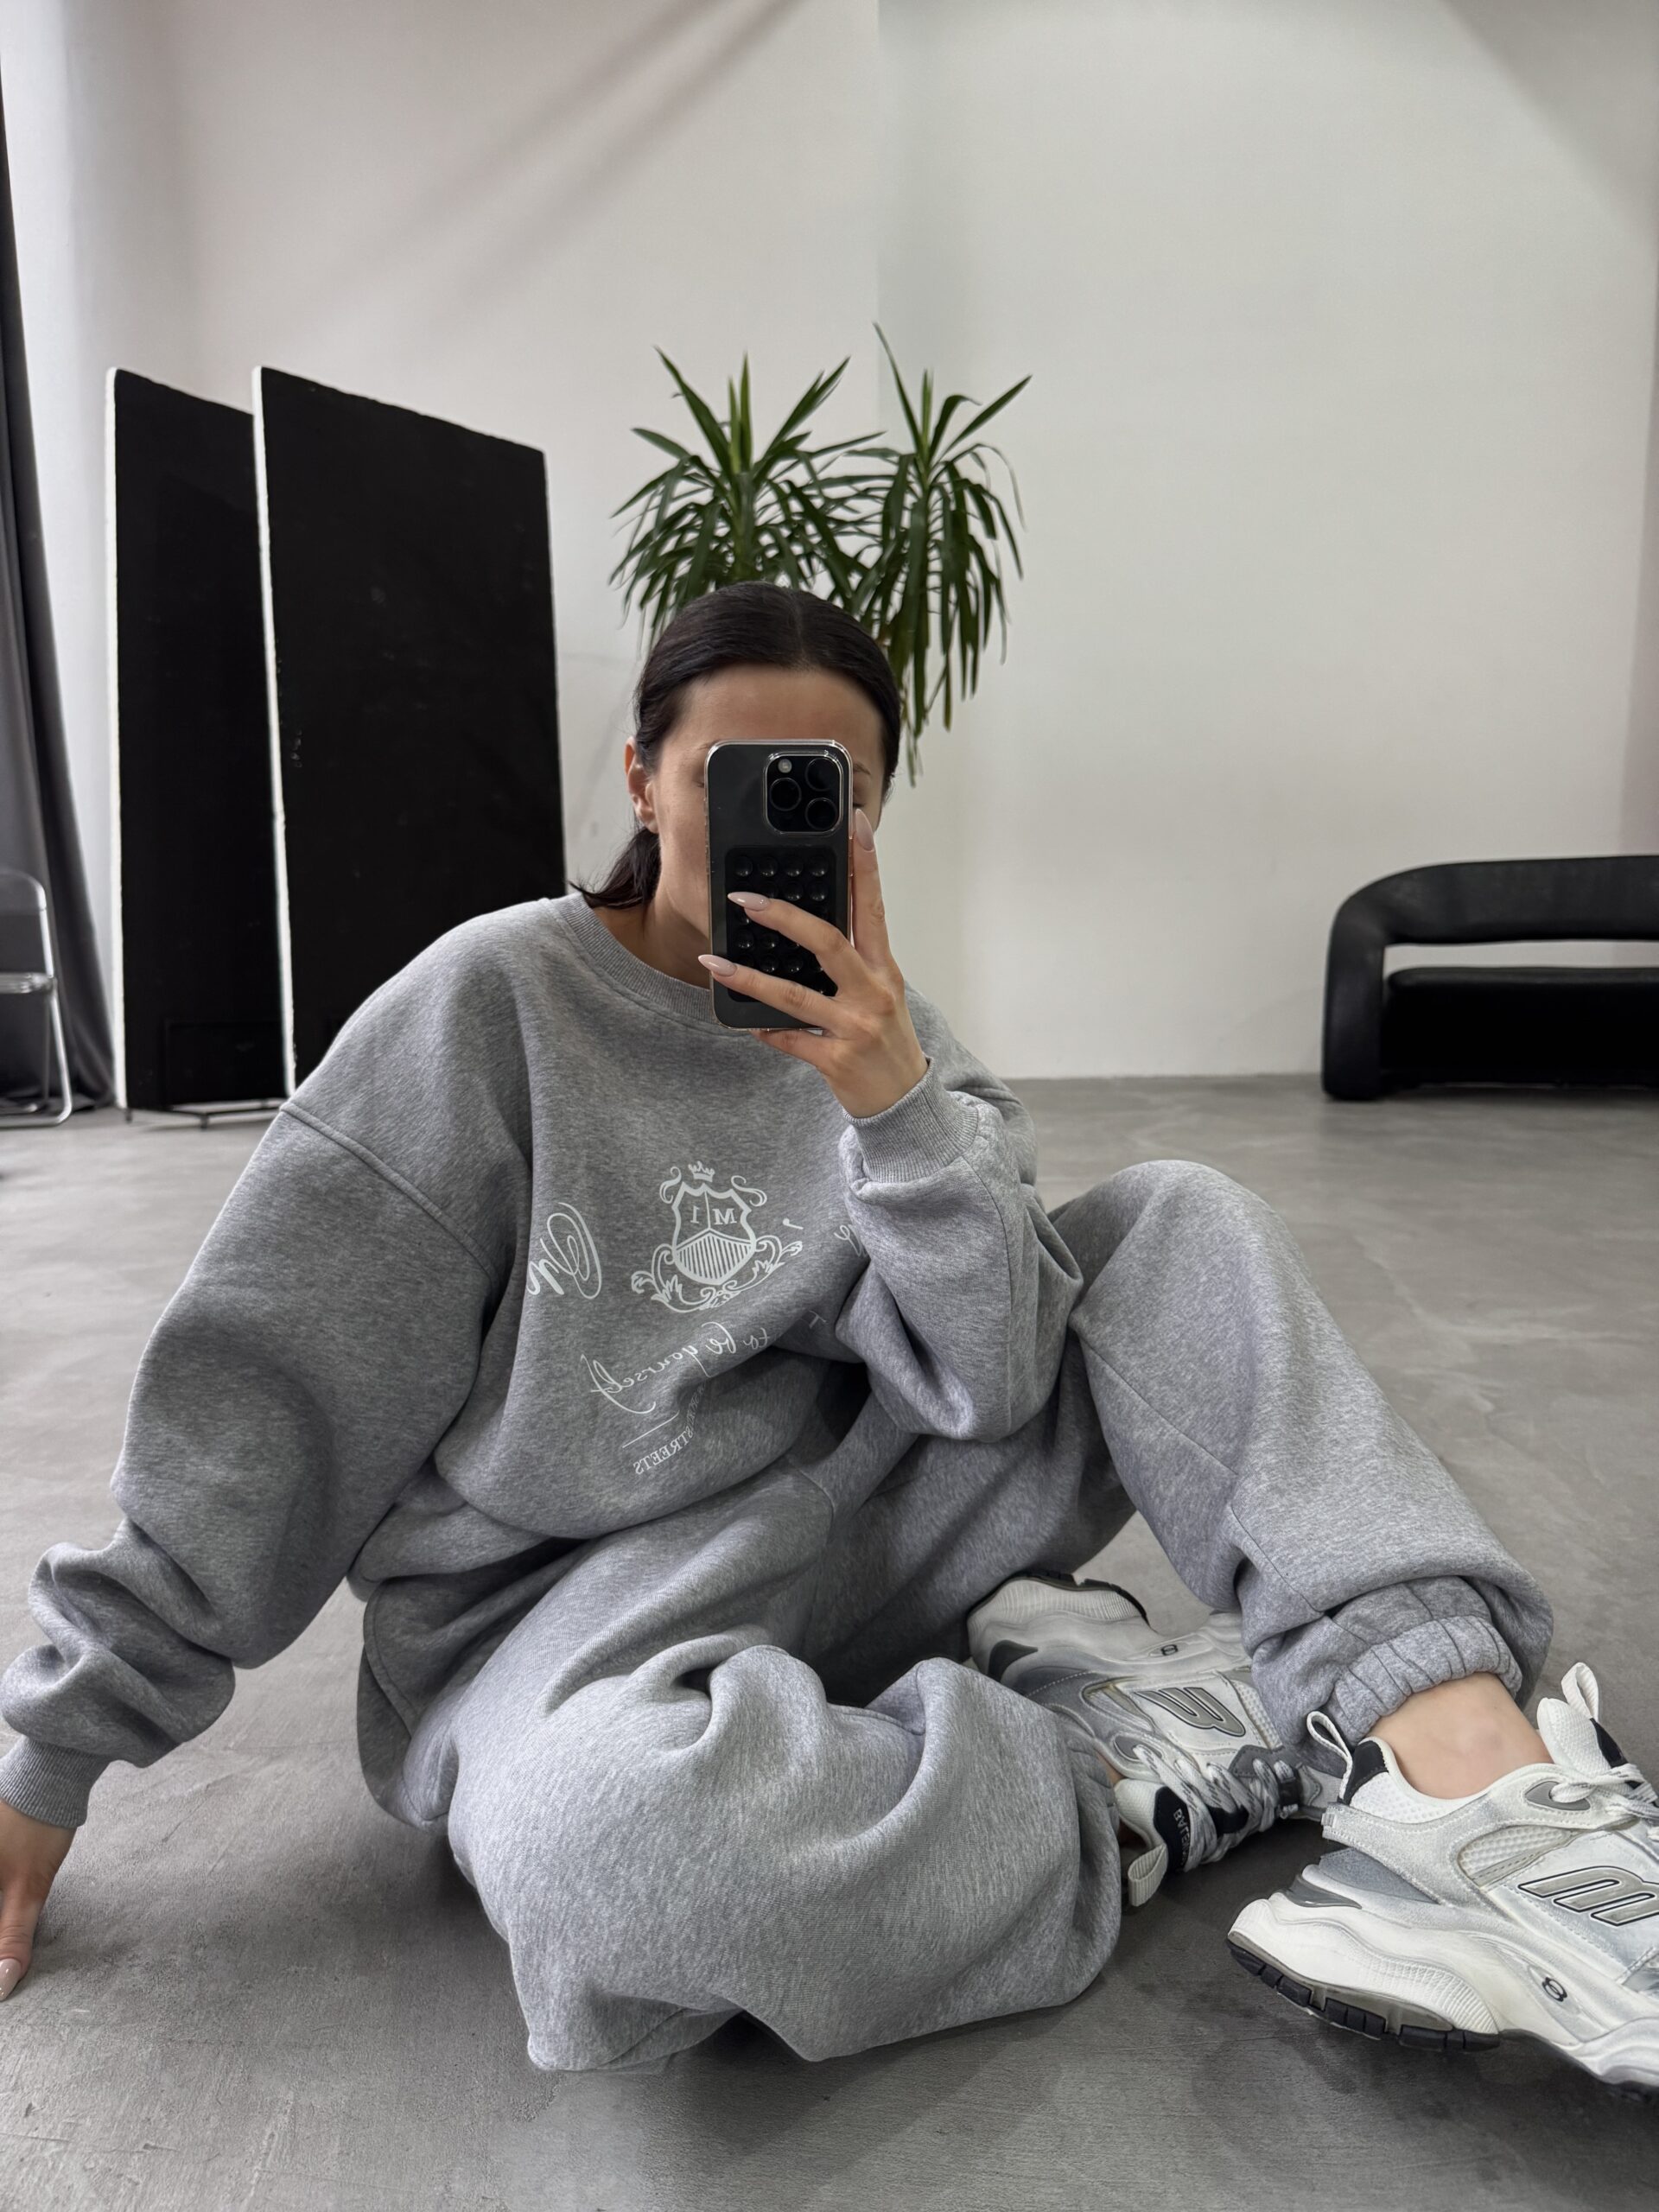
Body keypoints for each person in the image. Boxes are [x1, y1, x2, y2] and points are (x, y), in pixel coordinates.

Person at [1, 583, 1654, 2093]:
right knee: (617, 1865)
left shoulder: (893, 1036)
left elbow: (995, 1383)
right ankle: (1114, 1773)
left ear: (868, 818)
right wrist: (46, 1757)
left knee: (1178, 1223)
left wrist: (895, 1111)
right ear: (646, 780)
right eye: (733, 777)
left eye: (829, 792)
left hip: (865, 1536)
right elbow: (271, 1399)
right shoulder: (485, 1009)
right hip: (551, 1631)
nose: (779, 825)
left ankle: (1479, 1783)